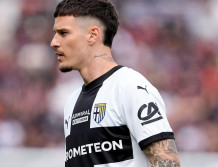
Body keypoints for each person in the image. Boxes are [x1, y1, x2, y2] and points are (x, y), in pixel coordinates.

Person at [50, 0, 180, 167]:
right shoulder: (72, 102)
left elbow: (169, 163)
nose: (54, 42)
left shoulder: (130, 87)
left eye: (63, 33)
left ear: (92, 35)